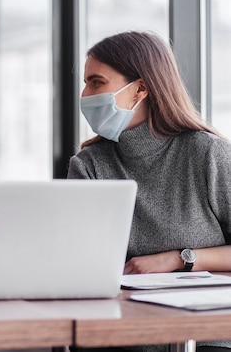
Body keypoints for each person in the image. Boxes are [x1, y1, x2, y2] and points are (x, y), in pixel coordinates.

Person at [68, 31, 231, 352]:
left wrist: (180, 259)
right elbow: (77, 260)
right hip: (117, 333)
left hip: (206, 336)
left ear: (140, 89)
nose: (85, 94)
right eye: (85, 83)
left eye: (97, 82)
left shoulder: (208, 155)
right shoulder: (88, 165)